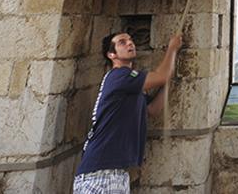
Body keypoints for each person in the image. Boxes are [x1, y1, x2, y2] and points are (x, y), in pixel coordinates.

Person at [72, 31, 182, 194]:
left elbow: (152, 109)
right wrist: (172, 49)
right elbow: (161, 76)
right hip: (101, 173)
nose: (130, 43)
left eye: (131, 40)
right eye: (122, 42)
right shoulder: (120, 76)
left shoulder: (130, 84)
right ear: (111, 54)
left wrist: (167, 80)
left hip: (115, 173)